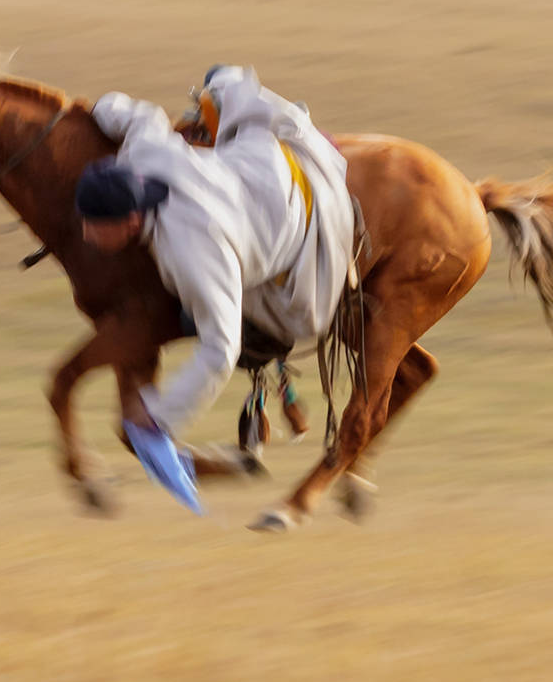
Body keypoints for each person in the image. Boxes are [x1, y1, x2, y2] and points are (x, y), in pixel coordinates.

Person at [75, 65, 352, 499]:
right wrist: (100, 108)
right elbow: (139, 116)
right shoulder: (145, 154)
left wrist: (158, 417)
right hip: (246, 159)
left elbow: (221, 348)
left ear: (131, 221)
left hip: (286, 209)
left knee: (272, 318)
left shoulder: (192, 251)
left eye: (96, 226)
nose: (87, 235)